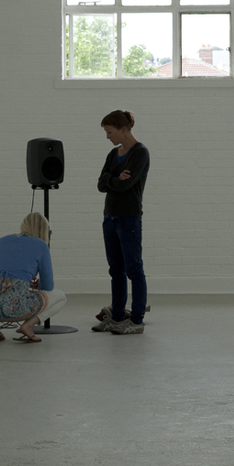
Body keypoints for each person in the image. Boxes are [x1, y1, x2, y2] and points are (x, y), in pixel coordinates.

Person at [92, 110, 151, 335]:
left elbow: (126, 185)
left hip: (129, 219)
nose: (107, 136)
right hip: (110, 218)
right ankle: (116, 317)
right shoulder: (112, 154)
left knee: (134, 269)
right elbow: (100, 184)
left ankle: (136, 321)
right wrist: (114, 178)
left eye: (110, 132)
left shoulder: (140, 153)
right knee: (115, 270)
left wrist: (111, 180)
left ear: (123, 129)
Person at [0, 212, 66, 343]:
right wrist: (35, 285)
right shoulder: (41, 245)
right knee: (61, 297)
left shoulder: (0, 241)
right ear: (44, 230)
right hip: (17, 308)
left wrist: (25, 283)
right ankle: (28, 326)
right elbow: (48, 286)